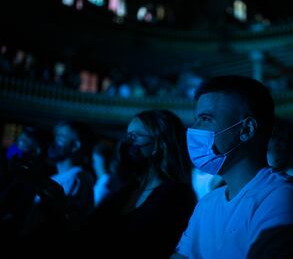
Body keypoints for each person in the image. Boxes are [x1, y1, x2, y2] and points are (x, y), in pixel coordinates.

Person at [173, 75, 293, 259]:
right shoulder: (207, 204)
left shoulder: (282, 195)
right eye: (196, 119)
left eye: (206, 118)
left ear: (246, 130)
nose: (194, 128)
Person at [89, 110, 196, 257]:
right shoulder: (127, 190)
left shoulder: (176, 196)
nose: (126, 143)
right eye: (127, 136)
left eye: (134, 136)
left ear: (160, 144)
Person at [47, 121, 95, 228]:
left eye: (61, 138)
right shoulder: (58, 177)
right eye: (56, 137)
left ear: (75, 146)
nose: (54, 142)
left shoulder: (76, 179)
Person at [91, 142, 119, 207]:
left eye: (95, 161)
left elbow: (94, 206)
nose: (93, 165)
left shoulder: (106, 182)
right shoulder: (106, 180)